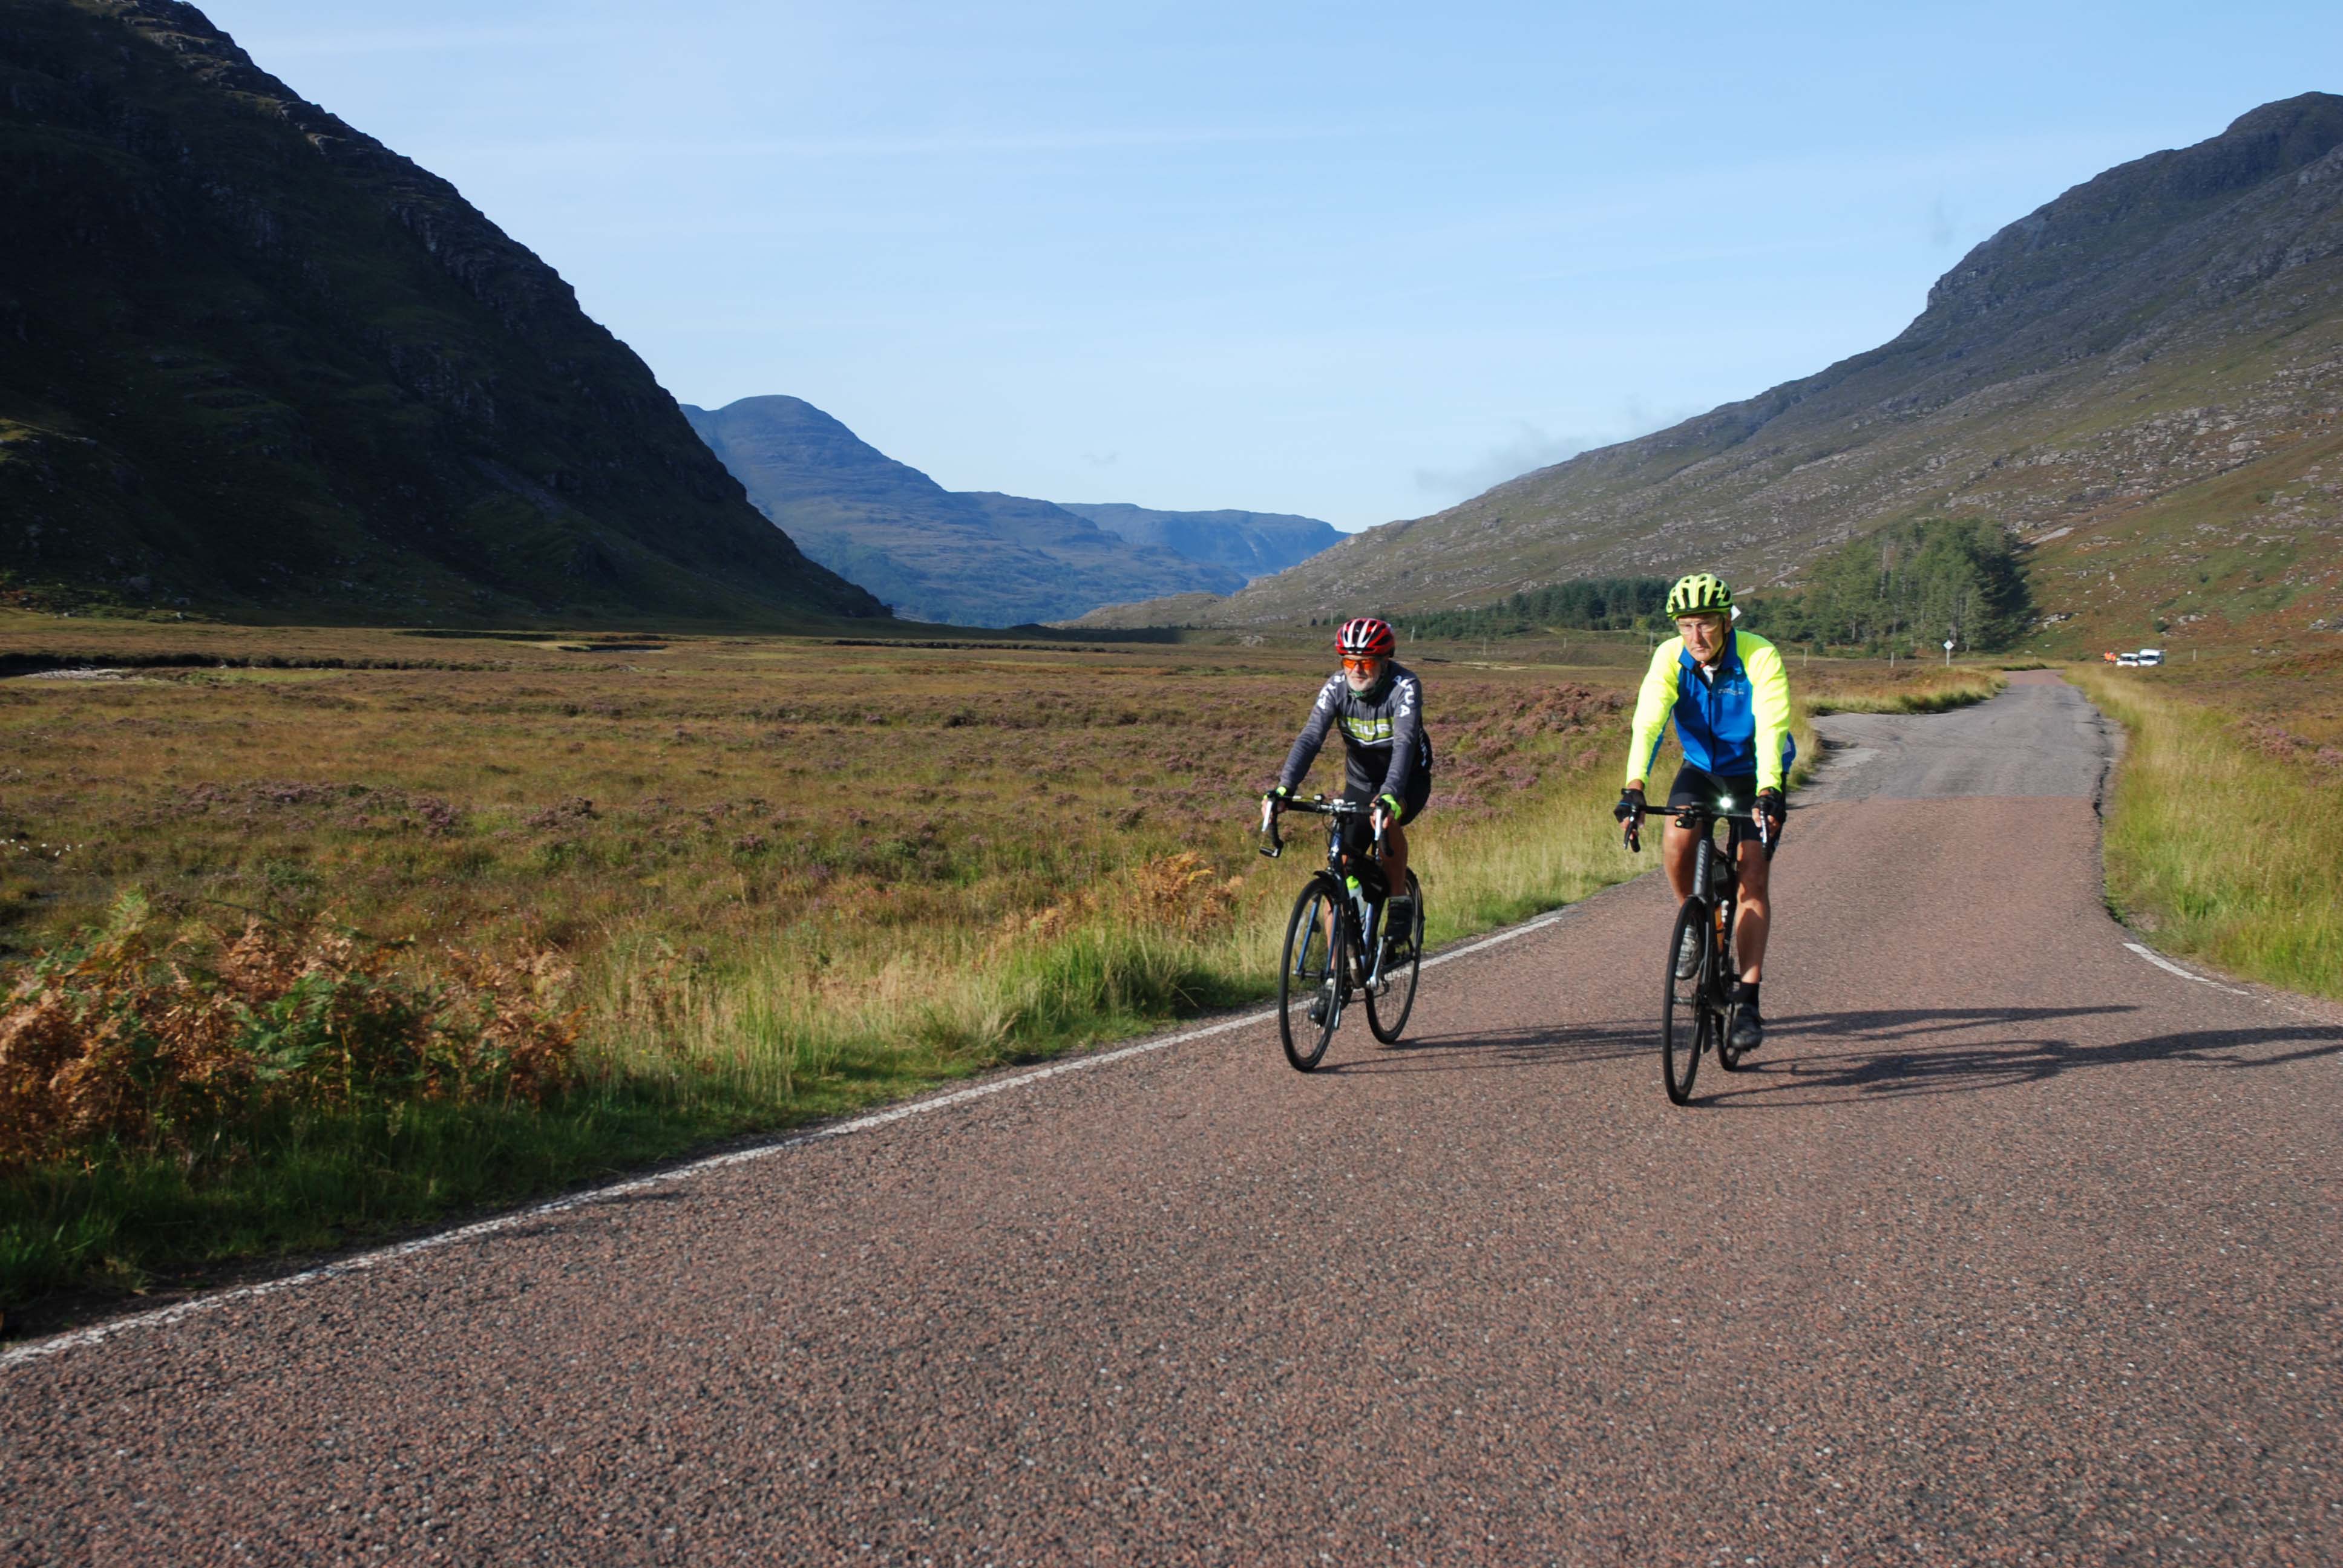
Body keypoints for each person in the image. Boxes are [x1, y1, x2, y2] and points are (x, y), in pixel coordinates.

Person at [1614, 573, 1794, 1054]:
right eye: (1686, 625)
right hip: (1702, 769)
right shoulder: (1670, 657)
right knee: (1676, 837)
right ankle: (1694, 923)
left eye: (1707, 624)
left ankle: (1750, 1001)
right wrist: (1634, 786)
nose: (1696, 637)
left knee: (1753, 875)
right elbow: (1648, 722)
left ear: (1726, 621)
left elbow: (1773, 725)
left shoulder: (1759, 655)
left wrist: (1770, 789)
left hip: (1756, 769)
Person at [1263, 616, 1432, 944]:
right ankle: (1335, 979)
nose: (1357, 670)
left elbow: (1405, 743)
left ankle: (1398, 900)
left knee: (1387, 820)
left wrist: (1390, 796)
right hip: (1361, 781)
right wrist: (1285, 788)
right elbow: (1312, 736)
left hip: (1407, 778)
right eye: (1349, 661)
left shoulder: (1405, 687)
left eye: (1366, 662)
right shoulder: (1336, 687)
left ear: (1384, 662)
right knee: (1341, 870)